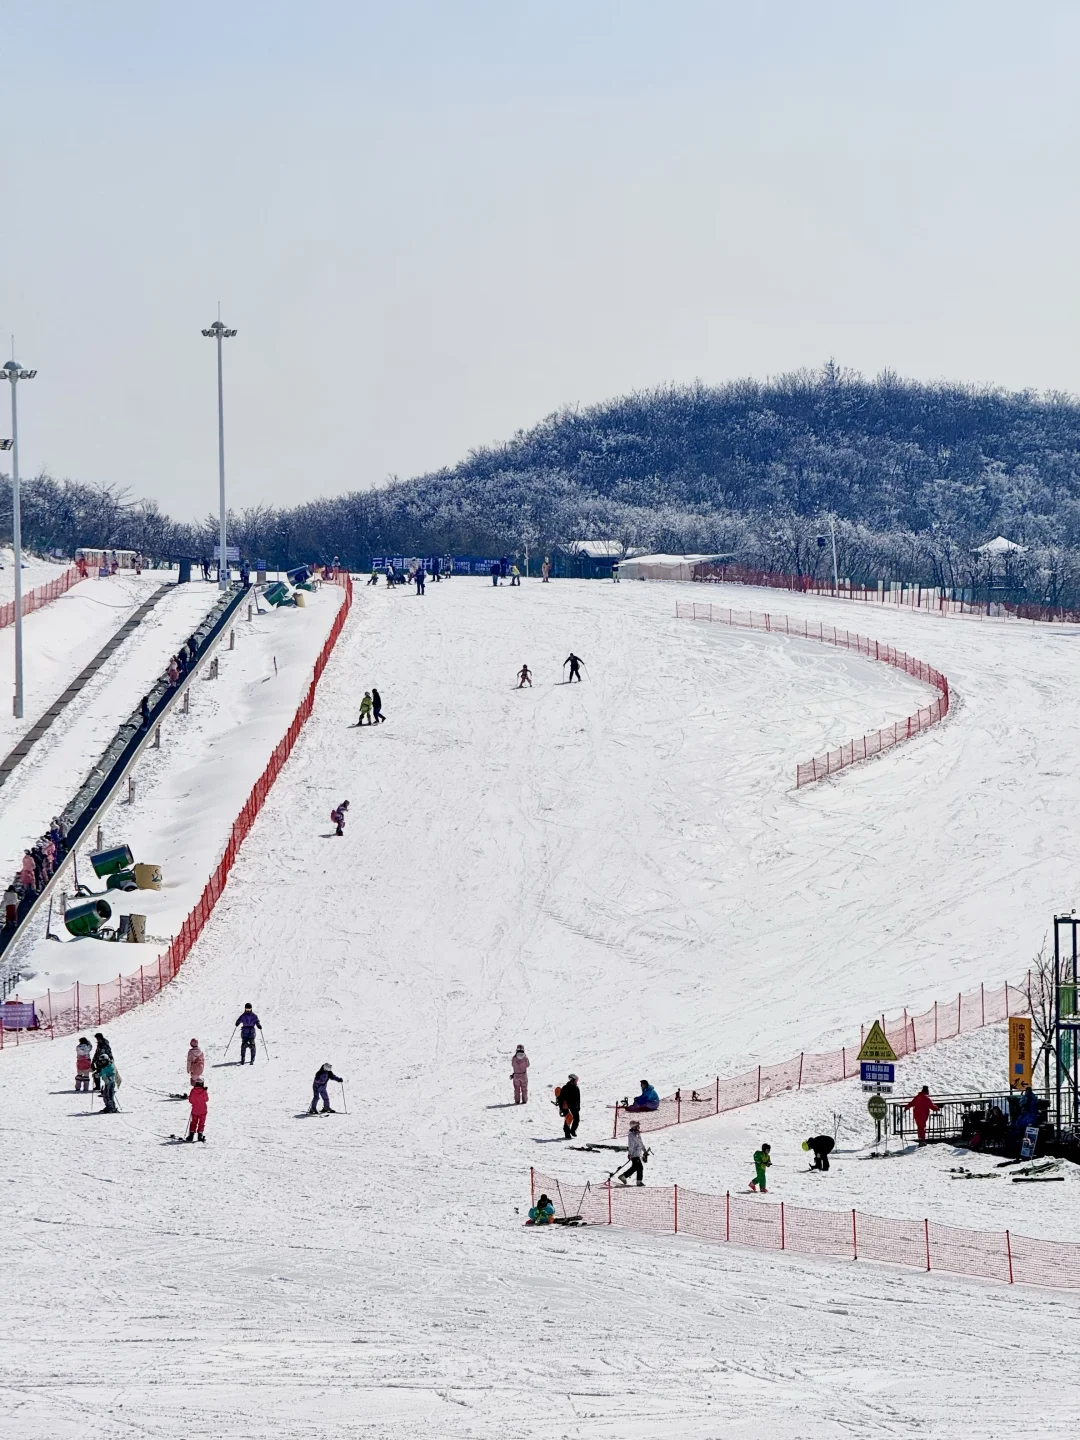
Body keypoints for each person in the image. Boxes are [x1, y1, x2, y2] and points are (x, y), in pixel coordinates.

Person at [617, 1121, 648, 1186]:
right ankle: (625, 1177)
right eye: (637, 1126)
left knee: (637, 1167)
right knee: (638, 1167)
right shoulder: (631, 1135)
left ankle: (635, 1180)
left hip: (637, 1153)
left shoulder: (637, 1134)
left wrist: (644, 1150)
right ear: (634, 1127)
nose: (639, 1127)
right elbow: (631, 1145)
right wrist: (630, 1154)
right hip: (634, 1154)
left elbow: (640, 1143)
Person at [557, 1073, 580, 1138]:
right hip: (566, 1106)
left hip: (574, 1107)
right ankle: (567, 1133)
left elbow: (578, 1098)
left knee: (577, 1119)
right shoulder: (565, 1088)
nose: (576, 1082)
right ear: (572, 1080)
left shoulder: (576, 1088)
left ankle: (572, 1131)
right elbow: (561, 1098)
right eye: (576, 1080)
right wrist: (561, 1108)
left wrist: (578, 1106)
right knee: (568, 1119)